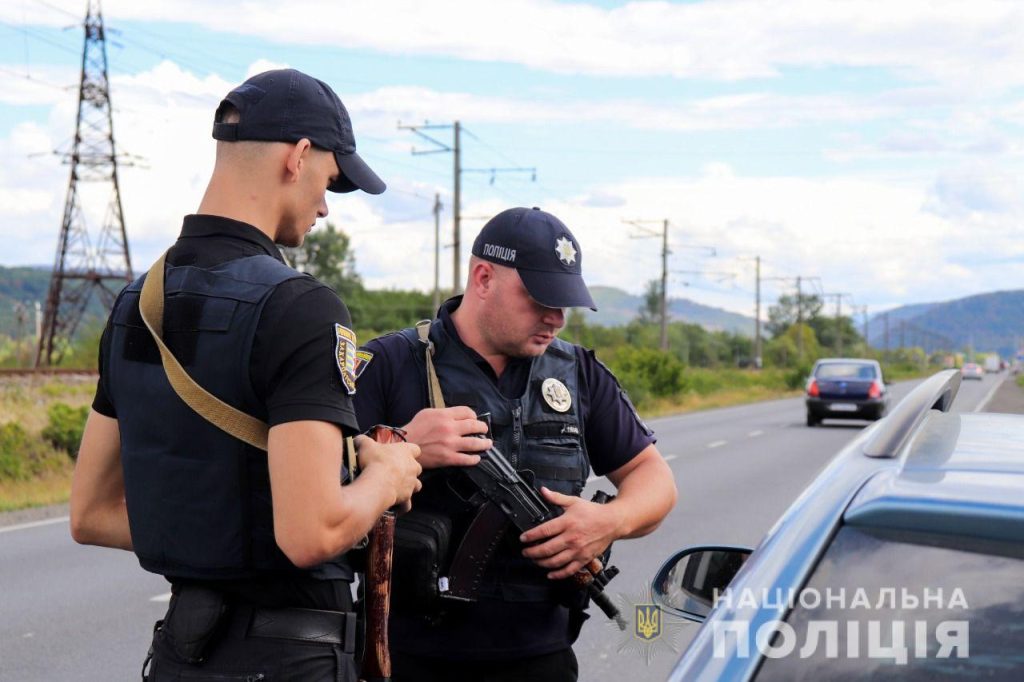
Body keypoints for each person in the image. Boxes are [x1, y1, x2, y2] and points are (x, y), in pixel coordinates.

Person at [69, 68, 422, 682]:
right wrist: (387, 478)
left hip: (182, 656)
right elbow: (311, 534)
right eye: (330, 183)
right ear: (299, 156)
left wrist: (222, 533)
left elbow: (92, 513)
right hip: (291, 658)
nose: (324, 209)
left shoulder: (136, 303)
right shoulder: (302, 306)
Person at [354, 206, 678, 681]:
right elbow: (320, 488)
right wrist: (406, 445)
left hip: (539, 657)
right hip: (409, 654)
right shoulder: (390, 363)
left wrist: (611, 520)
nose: (556, 318)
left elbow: (654, 479)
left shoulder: (578, 374)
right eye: (540, 299)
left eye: (564, 303)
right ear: (483, 278)